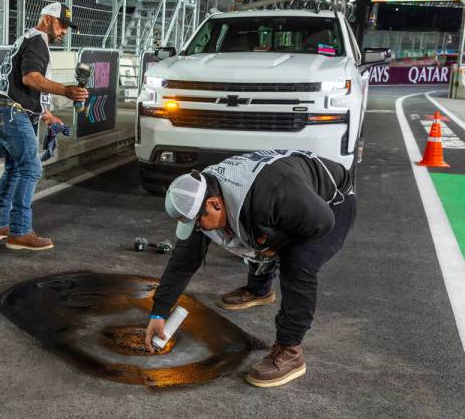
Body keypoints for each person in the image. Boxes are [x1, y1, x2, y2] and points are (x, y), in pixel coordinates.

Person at [144, 150, 357, 387]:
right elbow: (182, 263)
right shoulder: (202, 193)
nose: (197, 231)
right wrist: (159, 313)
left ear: (214, 204)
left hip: (332, 204)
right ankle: (259, 289)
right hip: (284, 196)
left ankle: (290, 351)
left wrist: (277, 245)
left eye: (197, 226)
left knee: (297, 263)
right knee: (250, 233)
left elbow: (322, 222)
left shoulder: (271, 197)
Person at [0, 3, 88, 250]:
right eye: (62, 25)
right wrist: (67, 91)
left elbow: (27, 84)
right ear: (48, 19)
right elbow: (30, 78)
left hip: (4, 111)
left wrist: (47, 114)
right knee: (30, 167)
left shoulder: (30, 39)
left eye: (67, 27)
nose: (64, 31)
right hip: (11, 112)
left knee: (15, 169)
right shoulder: (38, 40)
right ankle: (20, 231)